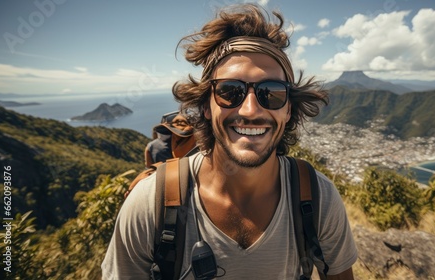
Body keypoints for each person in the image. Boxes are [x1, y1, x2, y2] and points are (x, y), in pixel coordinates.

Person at [102, 4, 357, 279]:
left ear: (288, 109)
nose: (250, 110)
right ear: (205, 107)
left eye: (270, 93)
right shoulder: (149, 206)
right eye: (229, 91)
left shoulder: (318, 198)